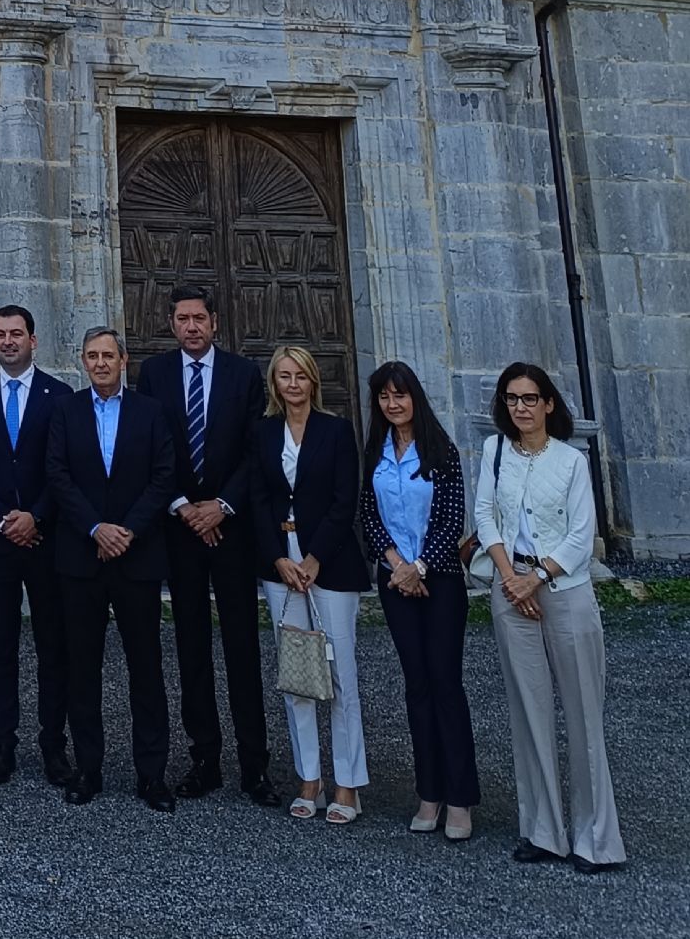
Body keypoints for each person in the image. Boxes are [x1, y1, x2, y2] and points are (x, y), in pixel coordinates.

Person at [475, 362, 624, 873]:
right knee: (528, 712)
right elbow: (485, 516)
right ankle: (543, 830)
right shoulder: (494, 453)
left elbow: (582, 536)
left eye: (530, 398)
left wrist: (533, 578)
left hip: (564, 591)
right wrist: (508, 577)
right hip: (509, 589)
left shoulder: (570, 461)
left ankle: (596, 839)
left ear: (549, 404)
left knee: (584, 714)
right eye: (512, 398)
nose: (521, 407)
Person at [137, 286, 275, 803]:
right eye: (182, 319)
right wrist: (183, 506)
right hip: (180, 530)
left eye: (199, 318)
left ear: (215, 323)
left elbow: (253, 450)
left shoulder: (243, 375)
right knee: (191, 648)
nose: (191, 327)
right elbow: (154, 446)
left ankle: (254, 766)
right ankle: (204, 759)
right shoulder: (154, 375)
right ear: (171, 325)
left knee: (242, 647)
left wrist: (222, 506)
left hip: (232, 531)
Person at [42, 329, 176, 810]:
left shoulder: (151, 412)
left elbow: (164, 477)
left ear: (124, 359)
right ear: (82, 361)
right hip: (81, 558)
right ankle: (88, 769)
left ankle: (152, 775)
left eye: (108, 356)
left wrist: (126, 532)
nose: (100, 363)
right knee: (83, 669)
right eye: (92, 356)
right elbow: (56, 475)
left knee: (146, 669)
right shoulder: (65, 410)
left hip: (137, 557)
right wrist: (96, 528)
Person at [358, 360, 479, 841]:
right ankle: (429, 793)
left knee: (446, 684)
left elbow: (452, 518)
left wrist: (420, 567)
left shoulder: (440, 450)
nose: (393, 404)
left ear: (415, 398)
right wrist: (397, 565)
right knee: (417, 688)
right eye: (385, 397)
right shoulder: (375, 452)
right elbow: (368, 516)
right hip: (396, 584)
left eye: (400, 395)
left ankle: (462, 798)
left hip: (440, 581)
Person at [250, 343, 369, 823]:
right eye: (284, 376)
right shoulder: (262, 434)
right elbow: (258, 499)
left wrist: (316, 557)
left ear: (313, 380)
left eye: (300, 375)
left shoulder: (336, 431)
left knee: (341, 677)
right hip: (282, 566)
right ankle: (309, 779)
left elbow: (346, 499)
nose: (293, 384)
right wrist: (280, 559)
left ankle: (348, 784)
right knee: (298, 675)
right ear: (275, 384)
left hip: (330, 566)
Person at [0, 302, 73, 787]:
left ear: (33, 340)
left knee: (52, 645)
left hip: (45, 538)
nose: (8, 341)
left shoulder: (60, 395)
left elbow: (63, 466)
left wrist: (36, 515)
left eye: (17, 334)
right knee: (0, 645)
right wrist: (2, 519)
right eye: (1, 334)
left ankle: (53, 746)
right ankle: (3, 743)